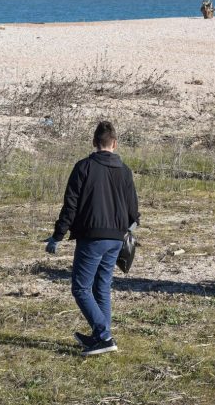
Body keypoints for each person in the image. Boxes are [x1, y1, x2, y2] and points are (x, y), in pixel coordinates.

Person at [45, 121, 139, 356]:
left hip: (92, 237)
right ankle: (100, 337)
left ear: (94, 143)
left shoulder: (83, 167)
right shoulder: (125, 171)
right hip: (116, 239)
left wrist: (57, 236)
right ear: (115, 144)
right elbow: (133, 212)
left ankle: (105, 335)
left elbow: (70, 206)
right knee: (102, 288)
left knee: (81, 288)